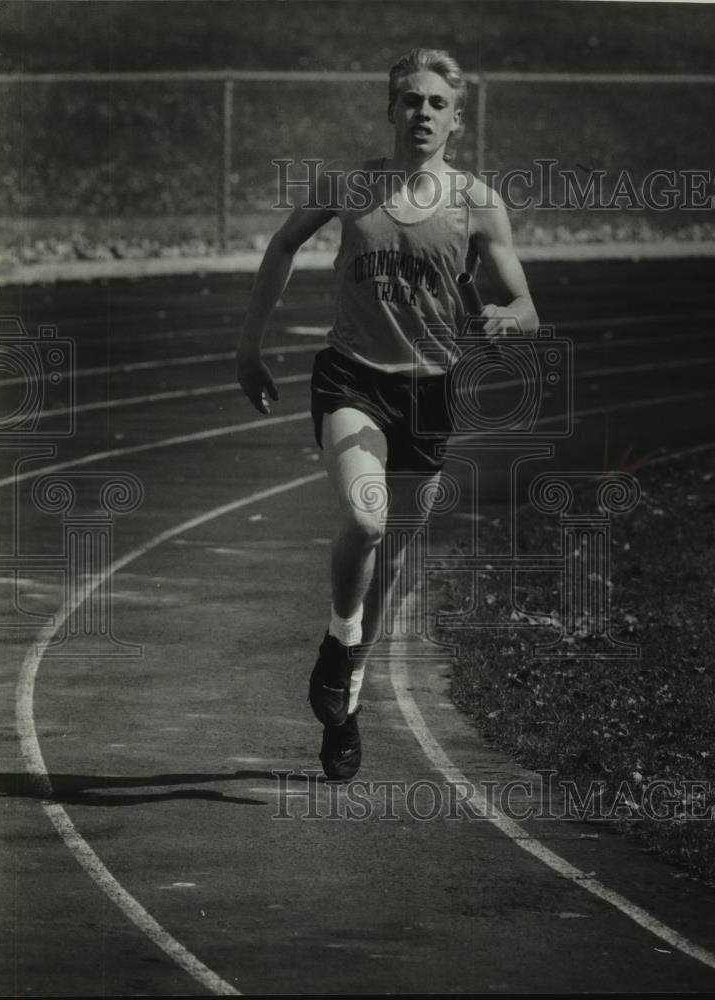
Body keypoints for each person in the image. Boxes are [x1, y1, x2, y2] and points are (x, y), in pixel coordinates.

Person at [236, 47, 539, 781]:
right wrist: (249, 346)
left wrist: (511, 318)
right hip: (352, 379)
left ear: (457, 119)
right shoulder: (350, 185)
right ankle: (340, 641)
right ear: (390, 108)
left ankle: (348, 701)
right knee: (367, 519)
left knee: (392, 560)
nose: (423, 113)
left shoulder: (477, 202)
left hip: (429, 395)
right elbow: (283, 242)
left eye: (437, 103)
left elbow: (526, 303)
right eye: (411, 100)